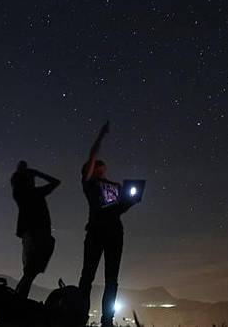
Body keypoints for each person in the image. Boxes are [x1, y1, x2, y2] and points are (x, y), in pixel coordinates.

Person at [78, 121, 133, 327]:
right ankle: (79, 316)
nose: (102, 167)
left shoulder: (114, 186)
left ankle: (107, 321)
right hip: (96, 231)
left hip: (114, 232)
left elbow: (120, 208)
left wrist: (129, 201)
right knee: (88, 276)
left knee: (112, 279)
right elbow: (91, 157)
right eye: (99, 165)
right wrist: (100, 137)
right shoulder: (90, 182)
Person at [11, 161, 61, 298]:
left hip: (34, 234)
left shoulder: (21, 194)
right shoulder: (31, 193)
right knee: (30, 272)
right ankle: (17, 302)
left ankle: (17, 301)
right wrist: (37, 173)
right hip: (36, 234)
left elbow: (57, 182)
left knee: (30, 272)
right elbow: (56, 182)